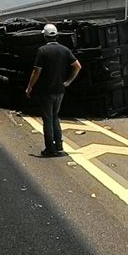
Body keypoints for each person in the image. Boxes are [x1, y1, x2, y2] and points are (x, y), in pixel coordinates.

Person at [25, 23, 82, 157]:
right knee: (55, 117)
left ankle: (50, 148)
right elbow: (78, 66)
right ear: (56, 35)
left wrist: (30, 87)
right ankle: (59, 146)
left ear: (44, 36)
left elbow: (36, 71)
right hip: (60, 90)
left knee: (48, 119)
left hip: (46, 91)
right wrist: (68, 81)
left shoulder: (42, 51)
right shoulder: (65, 50)